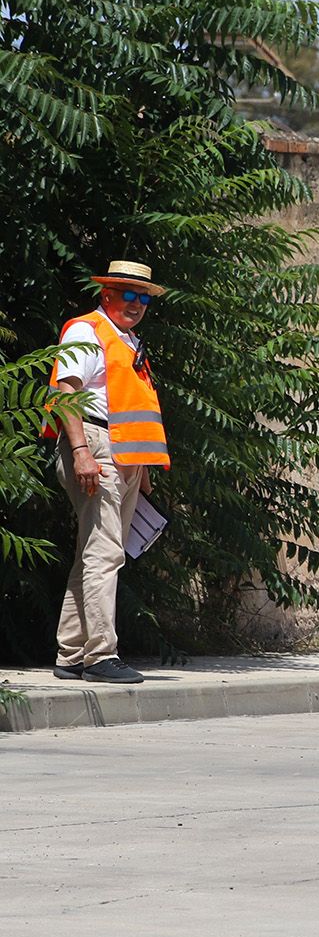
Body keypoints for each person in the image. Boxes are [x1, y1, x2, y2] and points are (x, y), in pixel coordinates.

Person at [42, 261, 172, 683]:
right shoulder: (85, 330)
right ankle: (100, 656)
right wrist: (80, 451)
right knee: (105, 552)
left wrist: (143, 467)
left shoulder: (128, 339)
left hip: (125, 456)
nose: (136, 304)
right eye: (127, 294)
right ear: (107, 295)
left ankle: (72, 652)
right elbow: (67, 394)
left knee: (93, 553)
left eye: (143, 297)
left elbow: (130, 409)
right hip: (95, 446)